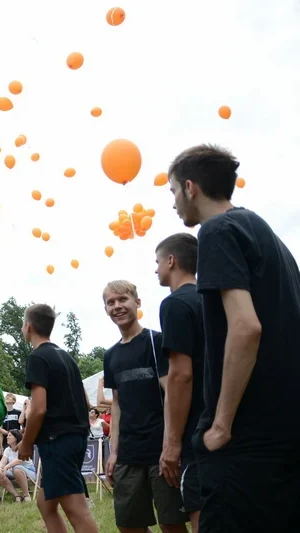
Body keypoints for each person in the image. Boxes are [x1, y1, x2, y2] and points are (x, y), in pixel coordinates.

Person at [167, 144, 300, 531]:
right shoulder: (266, 234)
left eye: (173, 191)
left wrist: (221, 423)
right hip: (284, 432)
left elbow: (246, 327)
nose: (174, 202)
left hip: (247, 437)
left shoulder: (218, 230)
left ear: (191, 187)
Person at [102, 281, 188, 533]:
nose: (117, 306)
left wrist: (171, 445)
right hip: (128, 453)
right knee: (128, 524)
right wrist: (114, 451)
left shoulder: (157, 341)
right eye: (111, 302)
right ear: (105, 309)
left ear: (137, 303)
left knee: (171, 523)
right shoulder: (111, 355)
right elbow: (116, 404)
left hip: (160, 451)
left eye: (122, 299)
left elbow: (173, 392)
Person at [17, 304, 98, 533]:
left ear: (29, 326)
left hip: (57, 441)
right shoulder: (66, 356)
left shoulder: (37, 358)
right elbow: (84, 400)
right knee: (46, 503)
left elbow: (39, 408)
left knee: (76, 510)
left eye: (23, 324)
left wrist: (26, 443)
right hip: (76, 436)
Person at [154, 232, 206, 532]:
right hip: (224, 419)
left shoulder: (174, 304)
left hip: (196, 429)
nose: (156, 269)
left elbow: (180, 374)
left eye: (158, 262)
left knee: (201, 515)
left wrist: (172, 443)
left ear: (171, 260)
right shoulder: (214, 298)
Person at [0, 429, 36, 502]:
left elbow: (19, 460)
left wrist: (7, 467)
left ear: (16, 438)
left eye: (10, 435)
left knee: (16, 468)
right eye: (7, 435)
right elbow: (2, 463)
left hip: (29, 474)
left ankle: (26, 495)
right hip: (14, 473)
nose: (7, 437)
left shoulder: (23, 447)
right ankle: (17, 496)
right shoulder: (7, 450)